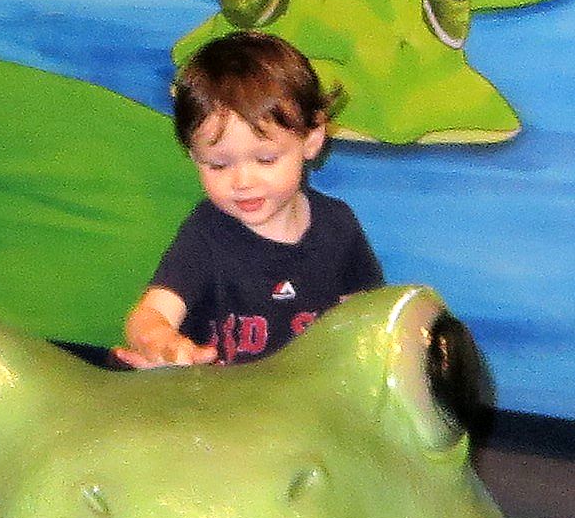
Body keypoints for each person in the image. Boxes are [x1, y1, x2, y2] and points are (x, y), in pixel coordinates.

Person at [121, 28, 385, 367]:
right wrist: (160, 342)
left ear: (311, 139)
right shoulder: (206, 235)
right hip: (224, 396)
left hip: (309, 393)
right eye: (218, 165)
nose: (242, 182)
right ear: (194, 155)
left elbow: (368, 318)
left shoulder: (338, 226)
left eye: (266, 159)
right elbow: (150, 314)